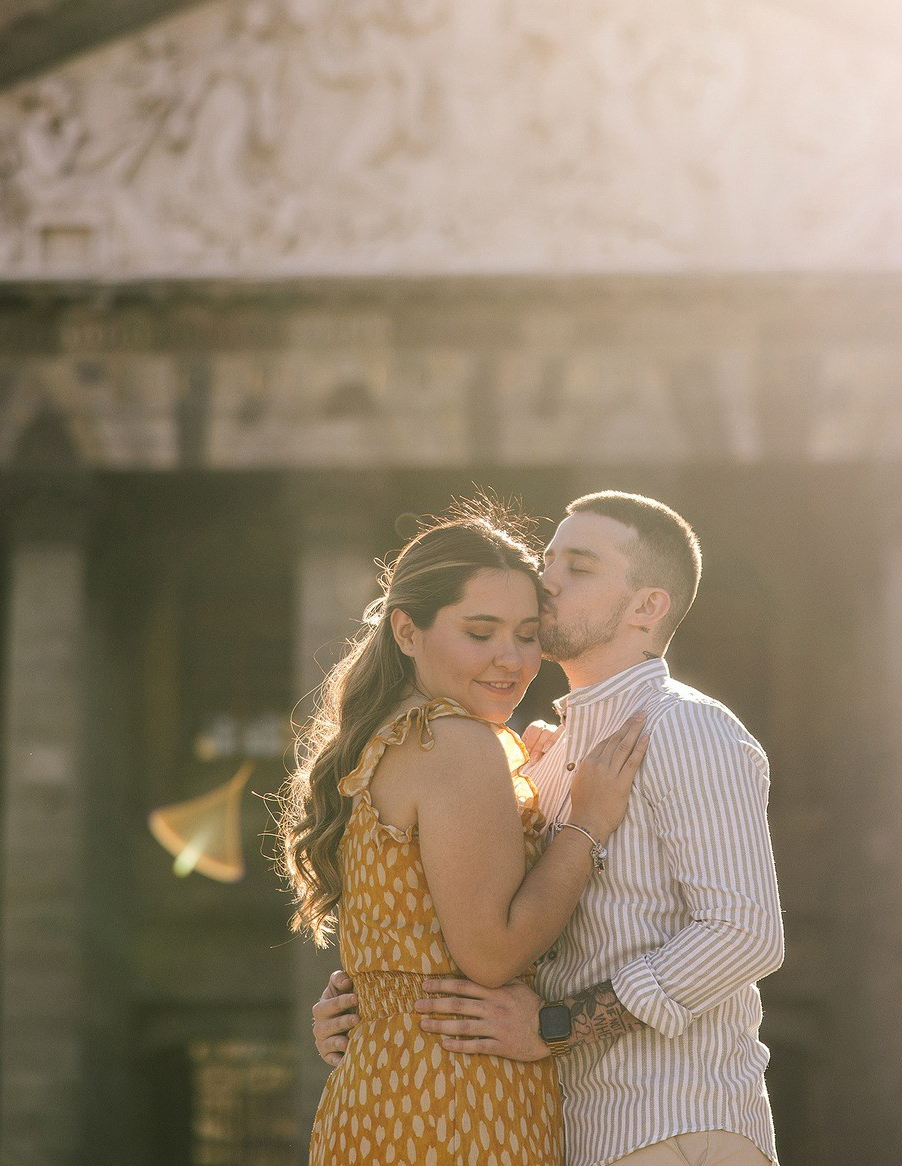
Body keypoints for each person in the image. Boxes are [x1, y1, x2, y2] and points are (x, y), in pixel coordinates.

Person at [313, 491, 786, 1166]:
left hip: (675, 1120)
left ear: (647, 606)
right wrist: (377, 995)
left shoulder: (684, 727)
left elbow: (744, 933)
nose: (549, 580)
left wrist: (557, 1024)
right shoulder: (540, 755)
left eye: (579, 567)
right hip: (569, 1126)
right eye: (549, 560)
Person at [273, 501, 650, 1166]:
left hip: (378, 1095)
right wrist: (586, 824)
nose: (511, 659)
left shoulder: (389, 737)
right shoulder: (457, 742)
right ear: (407, 631)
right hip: (458, 1099)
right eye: (480, 633)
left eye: (528, 634)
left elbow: (409, 930)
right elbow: (493, 955)